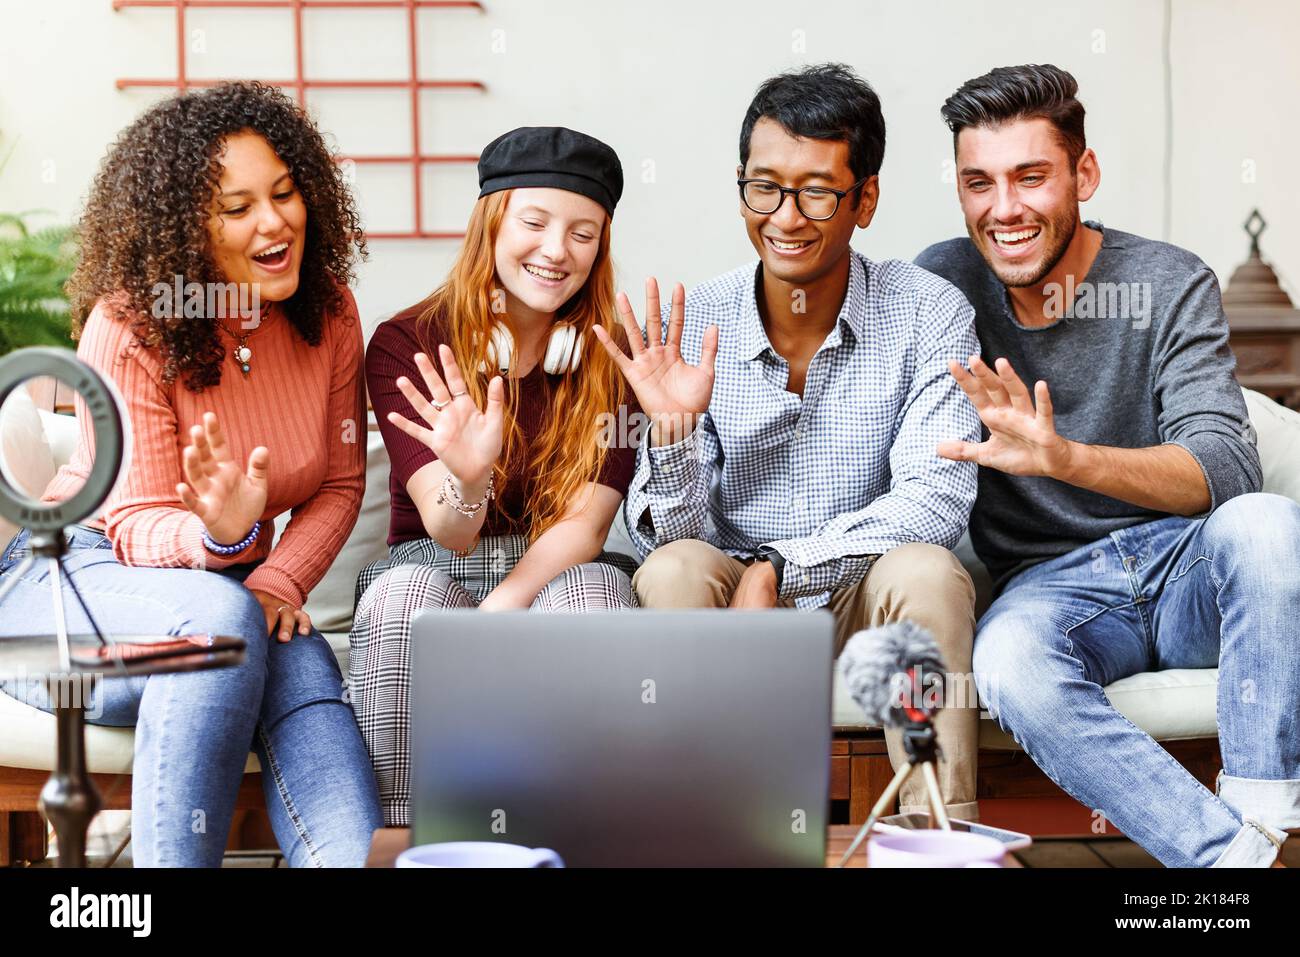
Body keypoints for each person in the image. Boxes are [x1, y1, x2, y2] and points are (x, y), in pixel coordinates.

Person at [916, 63, 1300, 867]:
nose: (1005, 208)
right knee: (1009, 660)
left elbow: (1226, 470)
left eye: (1031, 176)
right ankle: (1237, 859)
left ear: (1083, 173)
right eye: (978, 182)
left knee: (1267, 521)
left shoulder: (1167, 280)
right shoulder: (942, 283)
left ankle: (1265, 810)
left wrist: (1065, 459)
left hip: (1184, 567)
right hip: (1051, 591)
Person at [0, 81, 382, 866]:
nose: (275, 221)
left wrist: (278, 578)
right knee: (221, 625)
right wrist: (225, 531)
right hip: (68, 588)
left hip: (225, 594)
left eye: (284, 192)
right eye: (237, 208)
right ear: (182, 229)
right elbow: (134, 520)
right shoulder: (131, 324)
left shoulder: (330, 312)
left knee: (290, 650)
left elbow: (342, 480)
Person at [597, 64, 985, 822]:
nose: (785, 216)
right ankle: (700, 830)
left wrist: (781, 564)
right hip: (728, 590)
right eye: (764, 186)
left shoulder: (929, 312)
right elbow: (673, 541)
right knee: (674, 568)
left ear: (864, 199)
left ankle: (937, 830)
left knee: (932, 572)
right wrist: (672, 433)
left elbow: (936, 500)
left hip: (859, 587)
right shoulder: (695, 317)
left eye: (816, 191)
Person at [355, 126, 640, 826]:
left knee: (601, 595)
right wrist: (470, 477)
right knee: (403, 601)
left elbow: (587, 523)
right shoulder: (407, 341)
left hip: (558, 570)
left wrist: (502, 610)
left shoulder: (613, 355)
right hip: (433, 561)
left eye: (583, 232)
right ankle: (401, 837)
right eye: (535, 222)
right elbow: (447, 530)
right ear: (492, 224)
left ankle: (580, 836)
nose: (555, 250)